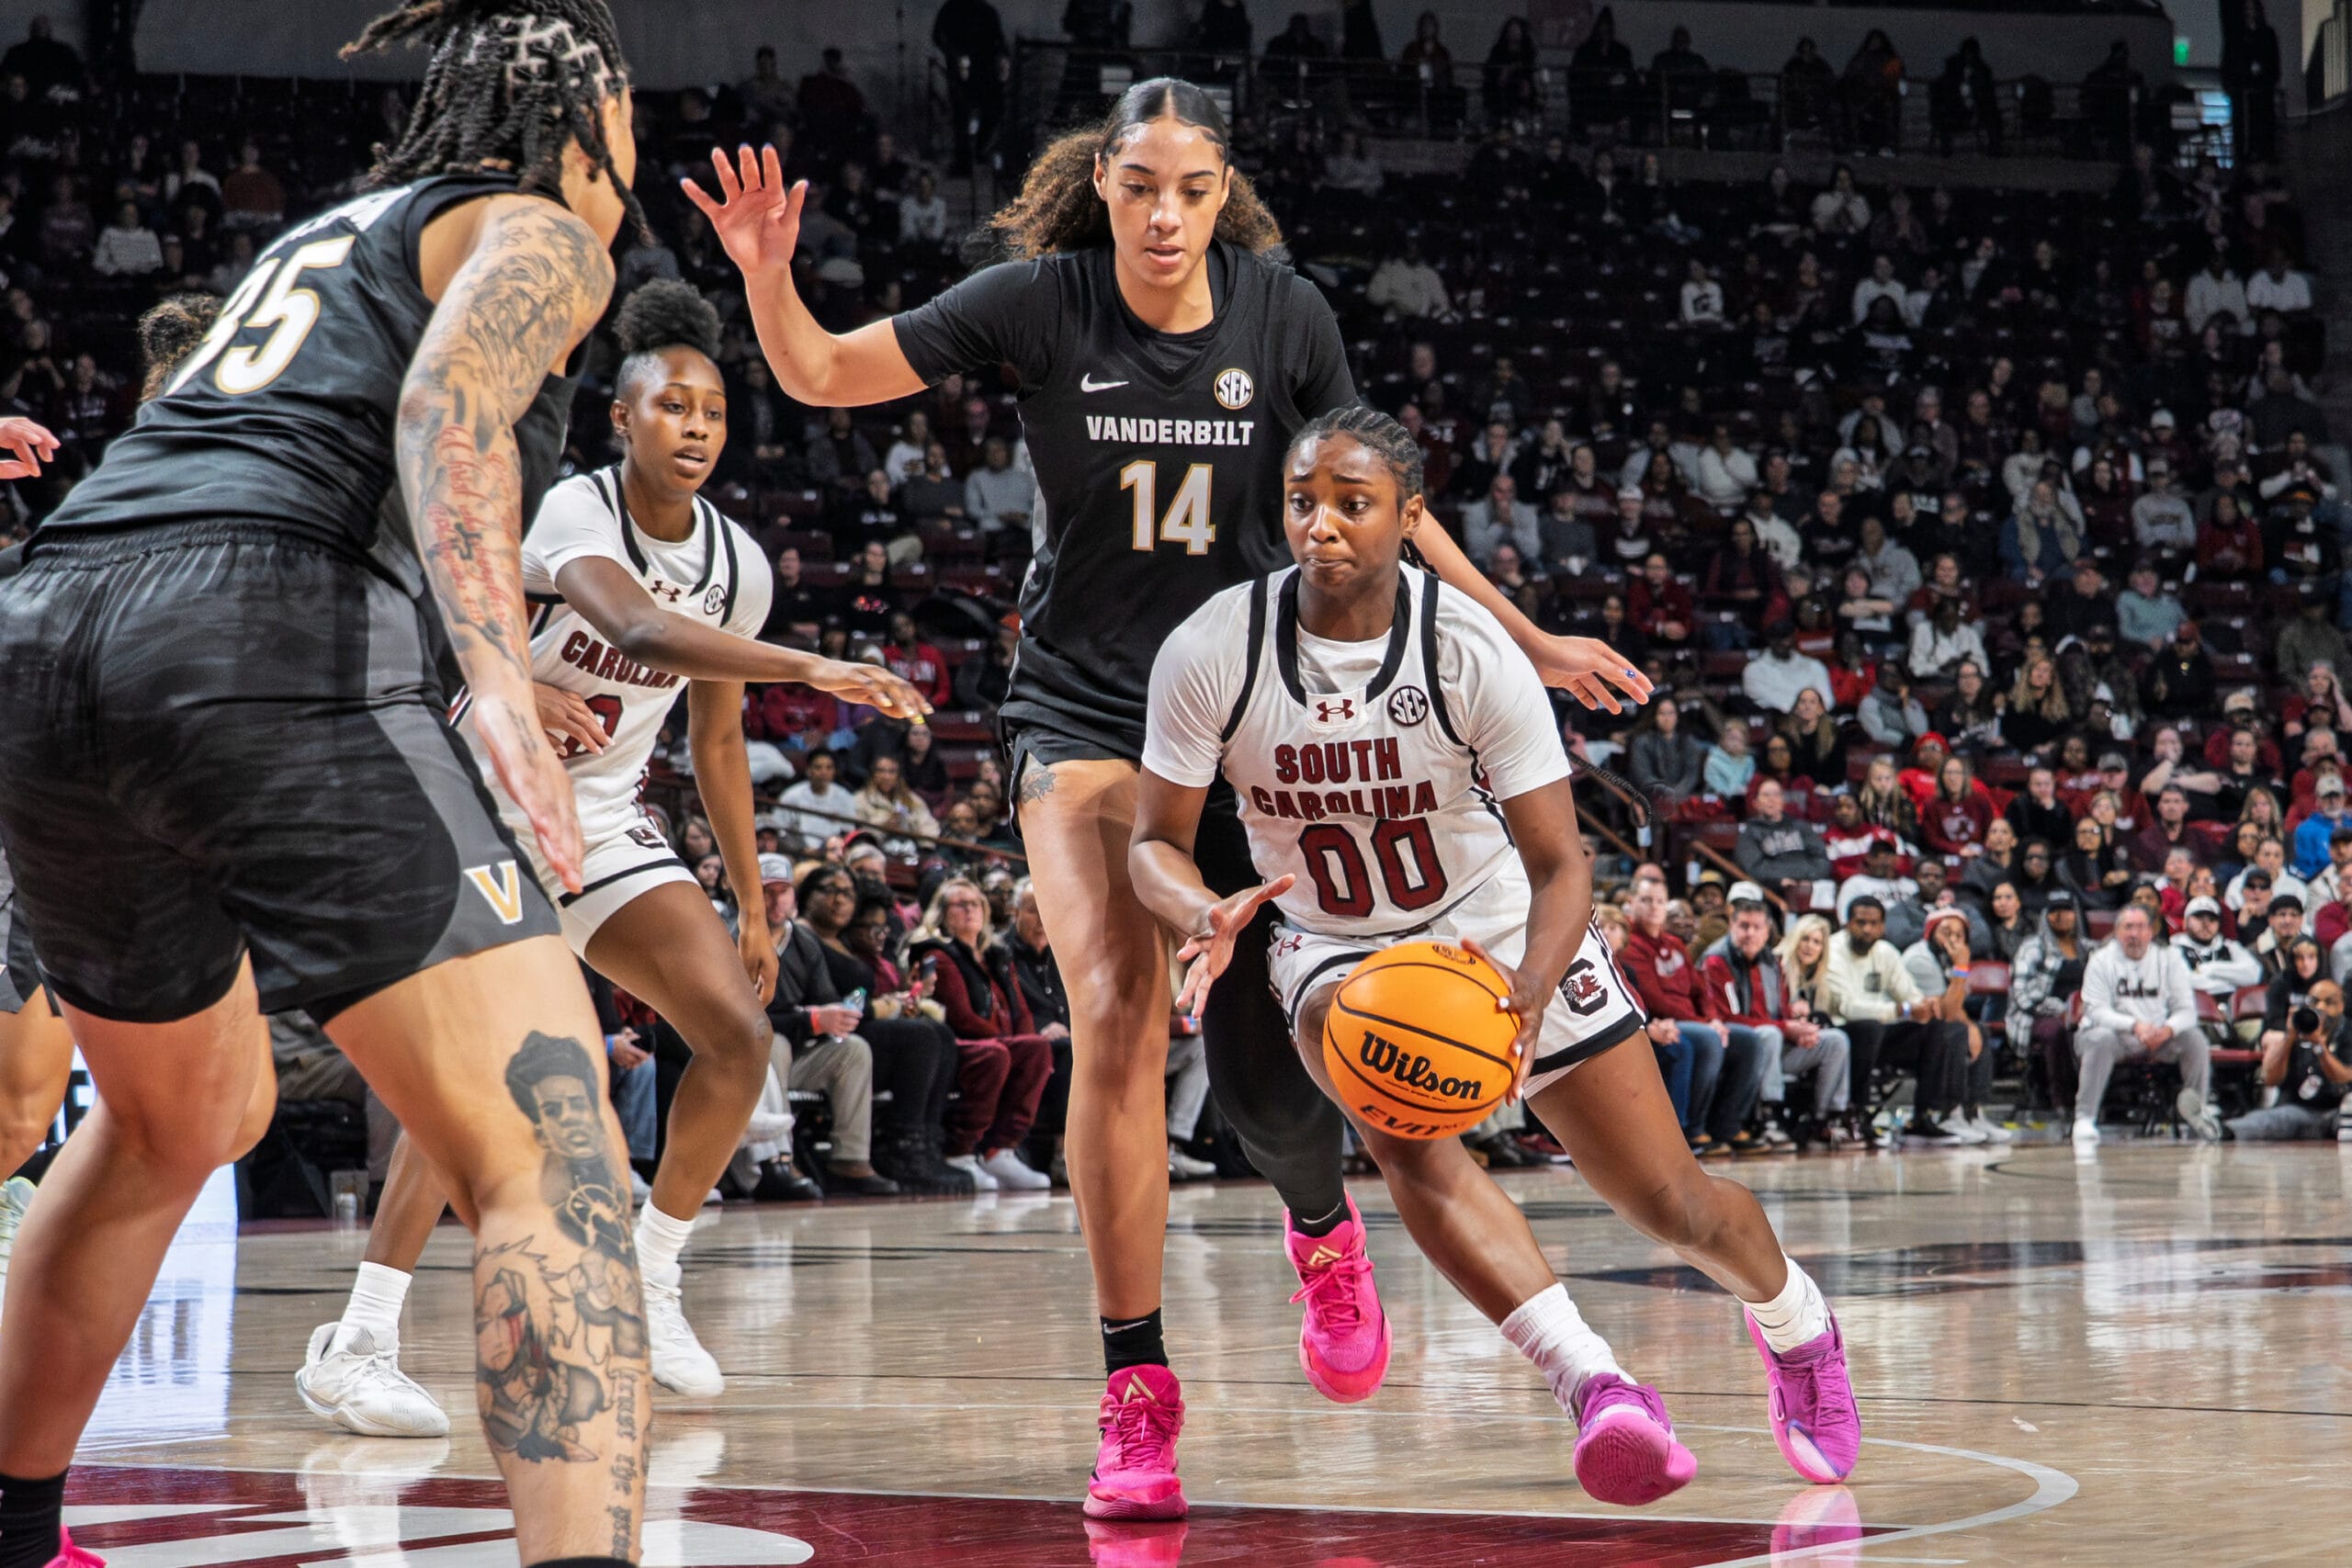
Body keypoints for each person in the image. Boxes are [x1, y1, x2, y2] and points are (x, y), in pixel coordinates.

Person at [684, 75, 1649, 1517]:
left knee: (1276, 1044)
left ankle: (1319, 1221)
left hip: (1257, 716)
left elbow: (1392, 493)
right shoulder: (1042, 299)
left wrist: (1522, 635)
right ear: (1103, 185)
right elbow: (823, 373)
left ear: (1221, 194)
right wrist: (769, 281)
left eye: (1189, 187)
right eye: (1137, 185)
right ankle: (1136, 1387)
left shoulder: (1285, 312)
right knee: (1118, 1021)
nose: (1162, 211)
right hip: (1081, 709)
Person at [0, 6, 657, 1563]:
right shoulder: (544, 229)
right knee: (552, 1148)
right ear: (581, 126)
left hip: (53, 623)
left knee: (182, 1114)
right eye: (629, 124)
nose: (635, 159)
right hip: (257, 619)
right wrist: (495, 673)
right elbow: (448, 412)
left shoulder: (336, 231)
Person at [1130, 407, 1860, 1507]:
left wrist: (1519, 999)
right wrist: (1200, 912)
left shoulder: (1468, 647)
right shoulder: (1213, 648)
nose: (1319, 525)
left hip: (1502, 925)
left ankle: (1795, 1324)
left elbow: (1564, 867)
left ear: (1411, 517)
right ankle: (1598, 1389)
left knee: (1671, 1202)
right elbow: (1151, 846)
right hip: (1337, 944)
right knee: (1405, 1137)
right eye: (1300, 501)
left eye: (1351, 503)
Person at [298, 280, 933, 1430]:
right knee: (482, 1076)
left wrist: (749, 897)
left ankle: (653, 1270)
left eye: (713, 412)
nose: (695, 427)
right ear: (622, 420)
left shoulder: (739, 564)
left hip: (598, 815)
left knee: (738, 1041)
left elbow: (717, 733)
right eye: (671, 407)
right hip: (476, 795)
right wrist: (817, 667)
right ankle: (359, 1339)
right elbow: (632, 628)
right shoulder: (574, 511)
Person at [1822, 898, 1973, 1144]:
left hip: (1881, 1035)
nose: (1867, 929)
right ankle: (1857, 1114)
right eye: (1861, 923)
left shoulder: (1886, 952)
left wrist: (1923, 1006)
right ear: (1847, 924)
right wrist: (1902, 1009)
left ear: (1883, 927)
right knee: (1868, 1028)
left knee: (1935, 1029)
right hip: (1842, 1034)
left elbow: (1910, 994)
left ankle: (1923, 1116)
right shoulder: (1833, 950)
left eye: (1874, 923)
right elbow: (1847, 1007)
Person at [2073, 905, 2221, 1145]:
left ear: (2151, 931)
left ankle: (2198, 1111)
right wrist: (2134, 1026)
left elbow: (2187, 1011)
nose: (2134, 934)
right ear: (2117, 931)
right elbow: (2096, 1011)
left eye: (2140, 927)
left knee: (2194, 1039)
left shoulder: (2169, 958)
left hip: (2158, 1036)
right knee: (2100, 1038)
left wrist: (2168, 1029)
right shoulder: (2101, 960)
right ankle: (2084, 1118)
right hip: (2116, 1035)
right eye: (2128, 927)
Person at [1709, 900, 1853, 1144]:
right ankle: (1769, 1115)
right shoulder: (1718, 961)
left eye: (1757, 927)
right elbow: (1726, 1018)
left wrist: (1800, 1027)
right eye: (1744, 926)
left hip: (1776, 1047)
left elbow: (1781, 1013)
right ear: (1732, 926)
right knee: (1769, 1034)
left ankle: (1824, 1119)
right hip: (1741, 1047)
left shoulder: (1771, 964)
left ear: (1767, 931)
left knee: (1836, 1040)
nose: (1750, 933)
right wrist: (1786, 1028)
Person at [2226, 980, 2350, 1139]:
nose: (2320, 1008)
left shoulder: (2347, 1033)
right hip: (2301, 1111)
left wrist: (2319, 1047)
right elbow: (2271, 1079)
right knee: (2275, 1118)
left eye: (2328, 1002)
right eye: (2314, 1001)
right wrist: (2289, 1037)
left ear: (2341, 1006)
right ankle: (2221, 1130)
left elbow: (2343, 1077)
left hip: (2338, 1112)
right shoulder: (2300, 1028)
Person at [1736, 777, 1834, 903]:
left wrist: (1810, 879)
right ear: (1756, 803)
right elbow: (1754, 867)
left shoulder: (1801, 827)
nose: (1771, 800)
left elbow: (1821, 859)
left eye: (1776, 795)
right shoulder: (1749, 833)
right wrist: (1779, 880)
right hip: (1773, 891)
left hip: (1810, 884)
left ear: (1783, 801)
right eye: (1766, 795)